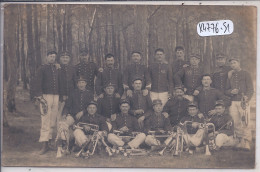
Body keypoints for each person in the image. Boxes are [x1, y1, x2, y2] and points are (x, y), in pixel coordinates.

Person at [56, 76, 94, 156]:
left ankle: (80, 145)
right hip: (73, 116)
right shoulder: (73, 93)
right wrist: (64, 114)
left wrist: (83, 112)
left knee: (77, 130)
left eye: (83, 82)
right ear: (77, 84)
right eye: (79, 83)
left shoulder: (89, 94)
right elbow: (67, 106)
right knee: (63, 124)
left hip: (85, 117)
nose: (81, 84)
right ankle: (64, 145)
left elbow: (92, 106)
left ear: (86, 84)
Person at [225, 57, 254, 151]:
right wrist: (231, 92)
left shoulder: (246, 74)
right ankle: (238, 140)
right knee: (236, 121)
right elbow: (226, 90)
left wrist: (247, 98)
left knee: (245, 121)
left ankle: (246, 142)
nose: (233, 65)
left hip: (243, 101)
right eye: (231, 64)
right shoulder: (230, 75)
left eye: (234, 63)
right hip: (233, 102)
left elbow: (251, 89)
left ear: (239, 63)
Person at [35, 50, 60, 155]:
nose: (52, 58)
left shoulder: (57, 68)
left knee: (53, 120)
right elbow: (37, 82)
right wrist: (40, 96)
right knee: (45, 119)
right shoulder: (42, 68)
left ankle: (49, 142)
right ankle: (44, 144)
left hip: (56, 96)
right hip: (45, 96)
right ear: (46, 57)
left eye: (54, 56)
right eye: (50, 56)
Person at [57, 51, 76, 131]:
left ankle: (70, 134)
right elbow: (57, 83)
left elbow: (75, 82)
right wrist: (62, 95)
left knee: (70, 115)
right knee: (59, 115)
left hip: (71, 96)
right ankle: (59, 134)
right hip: (60, 97)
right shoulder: (57, 68)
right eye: (63, 57)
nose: (65, 59)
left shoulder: (73, 68)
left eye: (67, 58)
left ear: (69, 59)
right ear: (60, 59)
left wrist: (74, 94)